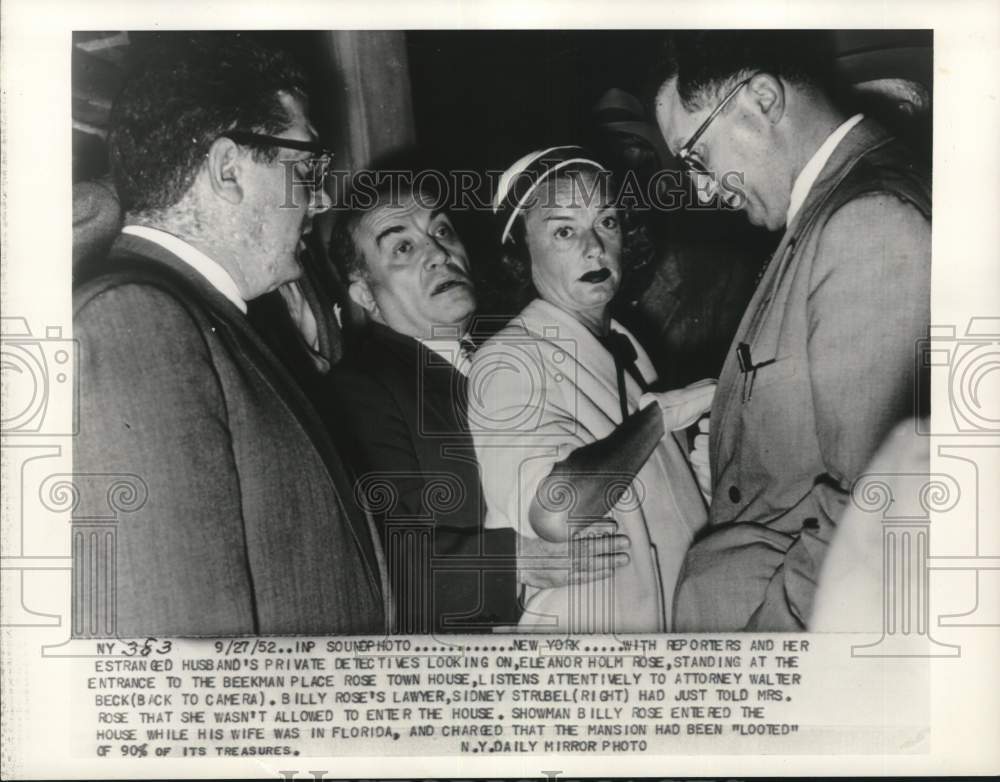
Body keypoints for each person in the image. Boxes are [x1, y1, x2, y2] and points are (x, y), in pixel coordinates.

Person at [73, 33, 388, 636]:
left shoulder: (205, 317)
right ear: (227, 169)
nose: (320, 199)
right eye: (307, 166)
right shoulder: (137, 320)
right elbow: (180, 657)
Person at [652, 31, 931, 630]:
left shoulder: (866, 221)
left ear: (761, 99)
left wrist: (772, 657)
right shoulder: (839, 209)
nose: (701, 189)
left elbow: (874, 503)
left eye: (696, 157)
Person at [330, 181, 632, 633]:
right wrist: (513, 563)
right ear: (365, 295)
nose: (438, 254)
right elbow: (374, 561)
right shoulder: (361, 389)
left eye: (444, 232)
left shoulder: (513, 350)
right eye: (403, 247)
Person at [471, 147, 713, 633]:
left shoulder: (627, 344)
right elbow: (557, 512)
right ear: (521, 252)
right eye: (564, 230)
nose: (594, 248)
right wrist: (661, 415)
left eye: (607, 222)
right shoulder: (507, 359)